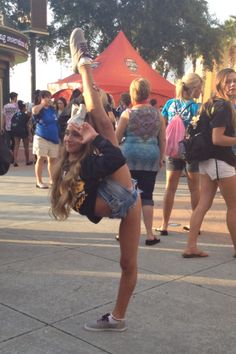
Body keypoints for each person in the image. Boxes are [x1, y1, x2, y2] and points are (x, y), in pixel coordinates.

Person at [51, 28, 141, 332]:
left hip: (126, 197)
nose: (69, 137)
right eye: (68, 133)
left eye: (76, 133)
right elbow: (88, 208)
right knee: (126, 264)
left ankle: (84, 64)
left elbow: (115, 156)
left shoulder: (94, 153)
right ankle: (84, 65)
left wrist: (94, 136)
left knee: (100, 120)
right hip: (120, 198)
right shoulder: (72, 165)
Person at [183, 68, 236, 258]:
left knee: (203, 204)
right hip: (220, 161)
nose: (232, 85)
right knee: (233, 206)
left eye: (234, 81)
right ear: (220, 83)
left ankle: (191, 246)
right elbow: (218, 138)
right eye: (228, 81)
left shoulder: (210, 103)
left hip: (206, 161)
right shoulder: (223, 107)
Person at [116, 78, 166, 245]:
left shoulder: (126, 114)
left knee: (129, 195)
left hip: (129, 157)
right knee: (147, 196)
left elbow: (116, 138)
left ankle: (124, 233)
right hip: (151, 156)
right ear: (148, 92)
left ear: (132, 93)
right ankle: (150, 234)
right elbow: (163, 140)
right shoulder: (158, 114)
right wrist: (161, 158)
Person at [158, 73, 203, 235]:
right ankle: (195, 225)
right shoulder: (196, 107)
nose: (201, 91)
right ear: (194, 88)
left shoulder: (170, 103)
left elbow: (161, 125)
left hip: (173, 150)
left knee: (170, 188)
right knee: (194, 189)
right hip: (191, 151)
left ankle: (164, 225)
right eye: (200, 88)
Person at [32, 90, 60, 189]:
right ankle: (39, 181)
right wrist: (42, 104)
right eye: (46, 97)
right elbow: (34, 111)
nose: (49, 99)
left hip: (54, 138)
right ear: (41, 98)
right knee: (41, 158)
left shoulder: (52, 109)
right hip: (41, 137)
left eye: (49, 97)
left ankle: (52, 180)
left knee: (52, 160)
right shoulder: (38, 108)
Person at [11, 100, 33, 166]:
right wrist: (29, 134)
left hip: (16, 131)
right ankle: (27, 161)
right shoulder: (26, 115)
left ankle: (15, 161)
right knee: (26, 147)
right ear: (23, 108)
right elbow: (27, 125)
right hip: (23, 131)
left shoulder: (15, 114)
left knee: (16, 146)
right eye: (25, 107)